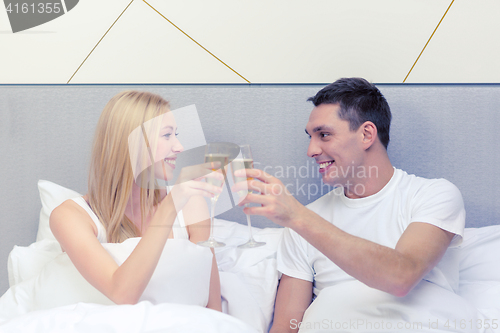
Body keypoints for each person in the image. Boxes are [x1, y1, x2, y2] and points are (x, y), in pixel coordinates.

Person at [233, 78, 471, 332]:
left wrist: (297, 216)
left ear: (367, 134)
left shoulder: (432, 195)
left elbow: (402, 277)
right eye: (311, 137)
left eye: (324, 135)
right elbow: (286, 326)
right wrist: (298, 220)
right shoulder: (303, 222)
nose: (311, 150)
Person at [50, 91, 222, 310]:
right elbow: (122, 293)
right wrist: (169, 206)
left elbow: (214, 308)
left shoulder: (191, 204)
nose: (179, 147)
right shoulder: (69, 216)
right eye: (167, 135)